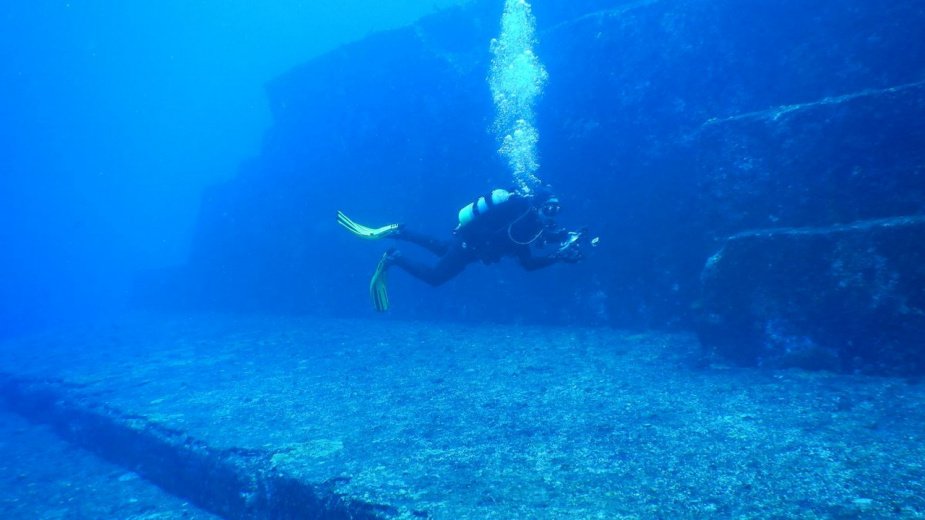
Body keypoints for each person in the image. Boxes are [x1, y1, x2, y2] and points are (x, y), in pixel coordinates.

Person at [337, 188, 590, 311]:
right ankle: (395, 257)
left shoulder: (531, 225)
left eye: (557, 212)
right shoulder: (522, 220)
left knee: (443, 249)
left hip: (469, 246)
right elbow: (521, 255)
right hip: (470, 245)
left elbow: (528, 263)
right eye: (549, 210)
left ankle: (400, 232)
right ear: (538, 206)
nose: (551, 216)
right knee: (436, 277)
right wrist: (555, 253)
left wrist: (558, 253)